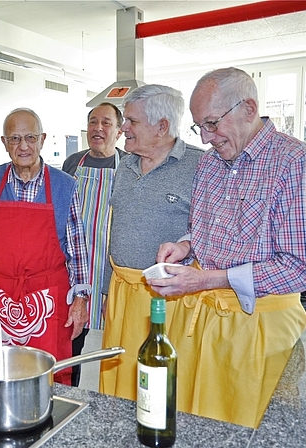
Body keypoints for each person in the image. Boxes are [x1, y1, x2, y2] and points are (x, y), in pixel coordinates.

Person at [149, 67, 306, 428]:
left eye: (212, 123)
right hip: (203, 322)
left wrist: (206, 281)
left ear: (249, 109)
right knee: (197, 422)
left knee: (247, 427)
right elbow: (203, 232)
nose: (205, 138)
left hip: (261, 329)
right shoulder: (210, 163)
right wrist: (184, 247)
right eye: (199, 127)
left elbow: (299, 267)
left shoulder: (294, 163)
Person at [0, 107, 90, 385]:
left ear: (42, 140)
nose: (23, 146)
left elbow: (77, 248)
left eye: (30, 138)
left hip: (48, 297)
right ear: (4, 143)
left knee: (48, 376)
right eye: (15, 139)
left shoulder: (65, 185)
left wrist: (80, 300)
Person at [98, 85, 204, 400]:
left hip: (167, 300)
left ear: (162, 127)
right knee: (118, 379)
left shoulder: (200, 166)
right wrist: (106, 290)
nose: (123, 127)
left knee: (159, 385)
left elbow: (210, 233)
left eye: (131, 121)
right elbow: (114, 230)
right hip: (121, 294)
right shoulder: (124, 166)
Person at [62, 102, 125, 386]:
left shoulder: (128, 166)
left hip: (107, 269)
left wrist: (112, 285)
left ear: (119, 131)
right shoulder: (73, 163)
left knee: (105, 346)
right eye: (92, 122)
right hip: (73, 268)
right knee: (70, 340)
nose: (98, 129)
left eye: (106, 123)